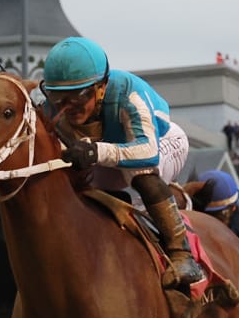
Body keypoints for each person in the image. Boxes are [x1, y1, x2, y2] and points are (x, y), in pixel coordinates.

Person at [41, 37, 200, 289]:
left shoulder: (128, 93)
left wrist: (95, 152)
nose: (67, 106)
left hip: (163, 144)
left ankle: (182, 254)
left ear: (101, 87)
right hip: (112, 156)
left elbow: (147, 151)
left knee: (140, 172)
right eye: (57, 97)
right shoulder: (52, 107)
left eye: (78, 96)